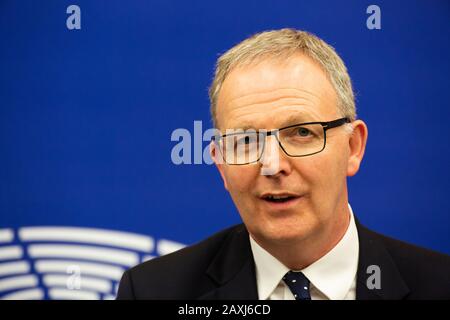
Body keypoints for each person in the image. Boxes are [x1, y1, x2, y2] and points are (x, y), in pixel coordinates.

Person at [117, 28, 450, 300]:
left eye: (301, 133)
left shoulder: (439, 285)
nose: (272, 165)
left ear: (353, 147)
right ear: (220, 165)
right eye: (246, 140)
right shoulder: (153, 291)